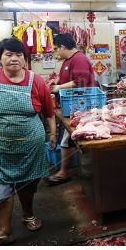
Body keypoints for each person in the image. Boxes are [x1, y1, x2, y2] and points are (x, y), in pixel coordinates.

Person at [0, 37, 56, 246]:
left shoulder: (36, 81)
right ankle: (4, 230)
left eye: (19, 55)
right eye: (8, 54)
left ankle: (28, 214)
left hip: (29, 146)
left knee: (27, 184)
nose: (14, 59)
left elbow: (49, 112)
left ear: (25, 59)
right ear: (0, 58)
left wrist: (52, 134)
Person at [47, 33, 96, 186]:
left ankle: (64, 172)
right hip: (71, 106)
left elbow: (80, 81)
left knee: (66, 139)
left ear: (63, 46)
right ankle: (76, 169)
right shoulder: (68, 60)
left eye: (57, 48)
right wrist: (56, 81)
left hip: (81, 105)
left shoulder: (79, 59)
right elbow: (66, 78)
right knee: (67, 137)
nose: (57, 52)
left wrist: (59, 87)